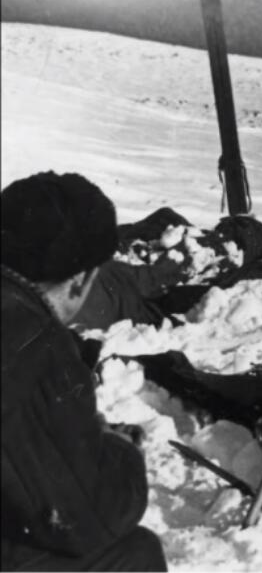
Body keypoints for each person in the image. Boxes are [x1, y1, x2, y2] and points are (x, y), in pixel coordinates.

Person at [1, 172, 167, 571]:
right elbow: (87, 518)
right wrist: (121, 452)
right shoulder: (36, 347)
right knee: (134, 554)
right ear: (80, 280)